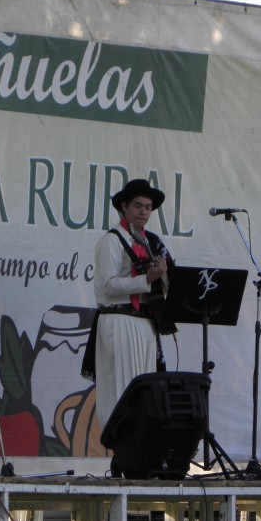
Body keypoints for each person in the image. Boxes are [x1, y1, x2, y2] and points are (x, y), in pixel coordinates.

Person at [82, 178, 175, 431]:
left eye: (148, 207)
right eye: (138, 206)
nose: (144, 212)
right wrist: (147, 279)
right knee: (120, 389)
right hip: (119, 320)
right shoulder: (111, 240)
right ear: (124, 207)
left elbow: (165, 285)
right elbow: (107, 286)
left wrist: (164, 277)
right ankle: (120, 444)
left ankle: (139, 443)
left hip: (145, 323)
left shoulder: (150, 242)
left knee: (144, 391)